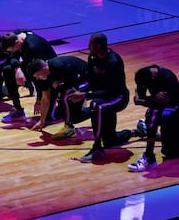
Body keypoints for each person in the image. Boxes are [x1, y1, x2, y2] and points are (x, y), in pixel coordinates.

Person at [68, 33, 133, 163]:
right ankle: (136, 131)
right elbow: (91, 80)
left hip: (118, 97)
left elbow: (111, 90)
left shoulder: (113, 62)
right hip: (103, 96)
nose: (87, 46)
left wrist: (86, 95)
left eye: (90, 43)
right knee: (110, 141)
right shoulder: (92, 57)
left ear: (97, 45)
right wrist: (78, 89)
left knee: (96, 106)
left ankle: (96, 147)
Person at [128, 64, 179, 172]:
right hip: (162, 108)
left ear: (152, 78)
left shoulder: (168, 77)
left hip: (175, 108)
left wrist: (146, 100)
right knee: (152, 113)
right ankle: (149, 156)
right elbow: (138, 99)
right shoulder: (144, 75)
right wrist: (152, 98)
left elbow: (164, 101)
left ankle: (151, 142)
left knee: (171, 153)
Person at [0, 29, 57, 124]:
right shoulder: (18, 36)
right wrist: (17, 69)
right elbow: (13, 56)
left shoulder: (33, 47)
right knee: (7, 71)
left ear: (17, 42)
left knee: (48, 118)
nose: (13, 51)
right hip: (32, 67)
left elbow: (39, 76)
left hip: (49, 73)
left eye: (13, 49)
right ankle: (18, 110)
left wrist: (39, 100)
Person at [27, 55, 89, 140]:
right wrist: (42, 121)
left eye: (37, 75)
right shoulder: (44, 77)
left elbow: (74, 80)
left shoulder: (58, 66)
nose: (37, 78)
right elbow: (45, 98)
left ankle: (69, 127)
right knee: (75, 117)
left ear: (44, 69)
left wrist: (79, 95)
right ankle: (95, 111)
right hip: (73, 83)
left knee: (62, 93)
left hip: (87, 79)